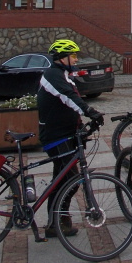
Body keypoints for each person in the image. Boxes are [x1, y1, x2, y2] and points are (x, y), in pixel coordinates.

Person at [37, 38, 104, 238]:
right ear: (62, 58)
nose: (76, 59)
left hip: (65, 134)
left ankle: (56, 222)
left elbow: (66, 105)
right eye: (73, 55)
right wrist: (89, 111)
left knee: (61, 179)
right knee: (71, 179)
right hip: (55, 136)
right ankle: (58, 221)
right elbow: (68, 97)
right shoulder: (52, 75)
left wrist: (82, 127)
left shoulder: (62, 75)